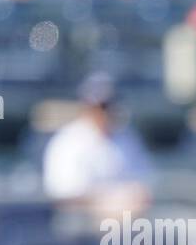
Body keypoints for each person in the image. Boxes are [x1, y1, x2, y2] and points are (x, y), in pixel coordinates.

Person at [42, 72, 153, 214]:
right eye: (101, 106)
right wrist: (111, 201)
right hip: (79, 226)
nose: (106, 112)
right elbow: (64, 195)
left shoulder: (127, 137)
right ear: (86, 106)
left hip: (126, 223)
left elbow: (144, 180)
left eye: (110, 105)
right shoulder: (67, 142)